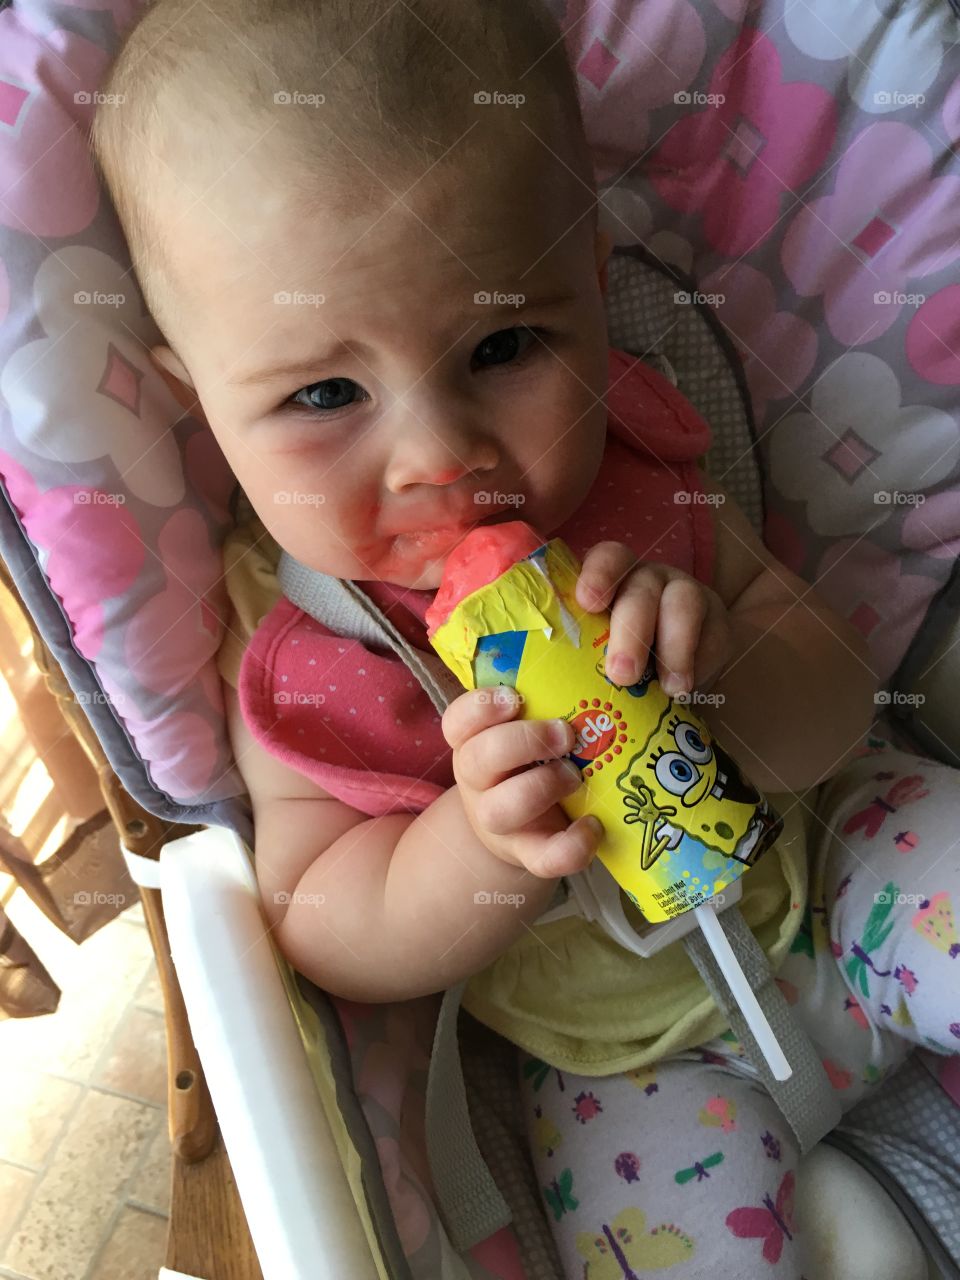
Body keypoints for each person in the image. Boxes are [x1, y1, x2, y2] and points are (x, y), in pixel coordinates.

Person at [90, 0, 958, 1273]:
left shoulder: (640, 458)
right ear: (201, 406)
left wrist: (727, 664)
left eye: (503, 344)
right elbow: (320, 916)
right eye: (324, 394)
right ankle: (880, 1201)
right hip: (620, 1055)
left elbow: (834, 699)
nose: (443, 457)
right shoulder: (301, 652)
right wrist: (471, 845)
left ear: (594, 293)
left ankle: (898, 1176)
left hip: (837, 869)